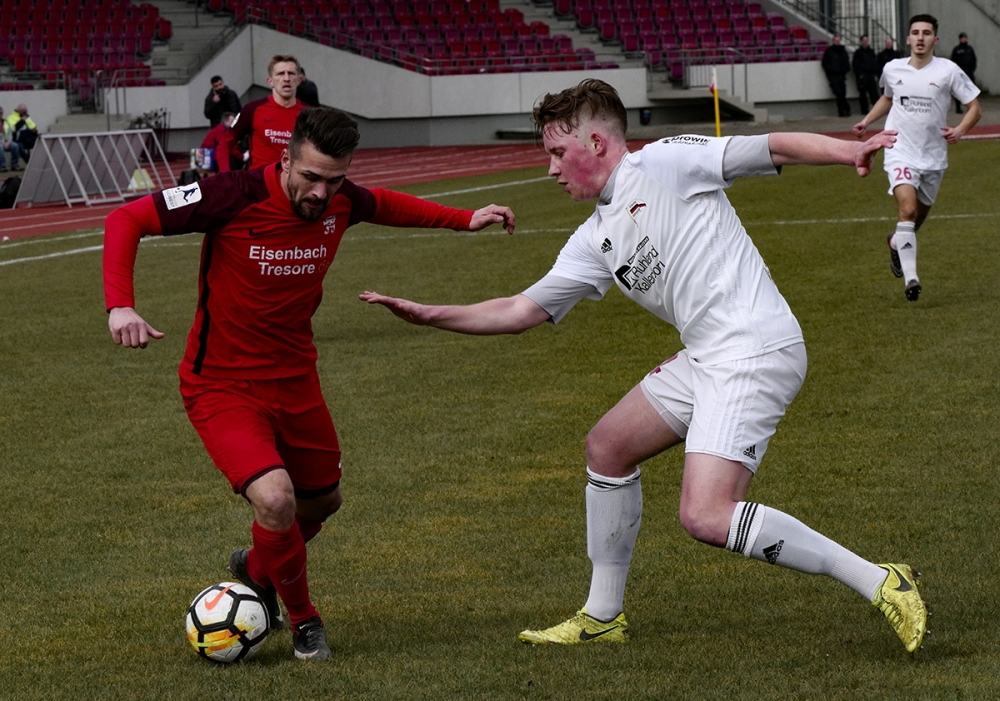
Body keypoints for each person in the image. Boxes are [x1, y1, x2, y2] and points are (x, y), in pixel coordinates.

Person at [361, 78, 928, 655]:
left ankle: (880, 579)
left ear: (597, 143)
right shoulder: (594, 236)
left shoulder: (663, 163)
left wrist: (847, 150)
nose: (551, 169)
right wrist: (429, 314)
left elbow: (771, 146)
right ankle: (602, 616)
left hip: (754, 348)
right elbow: (519, 310)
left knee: (707, 516)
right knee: (608, 447)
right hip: (707, 355)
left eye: (558, 153)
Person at [102, 106, 516, 661]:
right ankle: (303, 621)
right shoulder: (229, 195)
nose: (321, 192)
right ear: (285, 159)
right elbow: (125, 219)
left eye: (335, 180)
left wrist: (464, 219)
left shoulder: (341, 201)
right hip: (221, 385)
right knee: (276, 499)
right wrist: (120, 305)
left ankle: (256, 568)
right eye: (311, 177)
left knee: (322, 504)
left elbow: (387, 204)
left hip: (297, 380)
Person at [853, 14, 980, 302]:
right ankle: (911, 279)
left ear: (935, 39)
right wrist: (867, 121)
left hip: (933, 156)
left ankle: (896, 241)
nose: (920, 37)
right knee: (907, 210)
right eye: (916, 32)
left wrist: (960, 130)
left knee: (917, 219)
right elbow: (888, 97)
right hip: (900, 150)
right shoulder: (892, 68)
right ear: (908, 38)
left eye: (926, 33)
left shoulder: (949, 70)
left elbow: (974, 107)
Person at [216, 55, 304, 173]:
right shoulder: (252, 109)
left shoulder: (310, 114)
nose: (286, 78)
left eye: (291, 73)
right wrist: (225, 177)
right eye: (280, 74)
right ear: (270, 81)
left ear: (299, 80)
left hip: (294, 182)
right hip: (259, 181)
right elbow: (224, 145)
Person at [822, 35, 852, 117]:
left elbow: (846, 62)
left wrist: (844, 71)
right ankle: (845, 108)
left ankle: (842, 111)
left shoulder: (843, 51)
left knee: (842, 93)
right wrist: (830, 71)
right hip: (833, 76)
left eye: (838, 40)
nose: (837, 42)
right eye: (836, 40)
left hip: (841, 76)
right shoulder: (829, 51)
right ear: (833, 41)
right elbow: (825, 63)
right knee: (838, 93)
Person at [852, 35, 880, 115]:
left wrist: (875, 73)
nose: (865, 42)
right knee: (863, 94)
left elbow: (875, 63)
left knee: (874, 94)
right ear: (861, 42)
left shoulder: (871, 52)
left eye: (866, 40)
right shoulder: (858, 53)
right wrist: (860, 74)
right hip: (862, 76)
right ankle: (864, 111)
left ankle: (877, 110)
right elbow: (855, 65)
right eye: (864, 41)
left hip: (871, 75)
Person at [950, 33, 977, 113]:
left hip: (969, 72)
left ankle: (970, 107)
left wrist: (972, 69)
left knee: (970, 91)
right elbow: (953, 61)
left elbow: (974, 59)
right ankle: (958, 108)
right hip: (960, 73)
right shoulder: (956, 50)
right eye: (962, 38)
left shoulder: (970, 49)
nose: (964, 39)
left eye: (965, 38)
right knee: (958, 90)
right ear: (960, 39)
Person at [0, 106, 27, 171]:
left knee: (15, 145)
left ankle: (14, 165)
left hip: (6, 142)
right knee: (0, 147)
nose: (0, 115)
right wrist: (2, 143)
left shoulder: (5, 122)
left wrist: (8, 142)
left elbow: (10, 133)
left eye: (1, 113)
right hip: (1, 143)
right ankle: (2, 166)